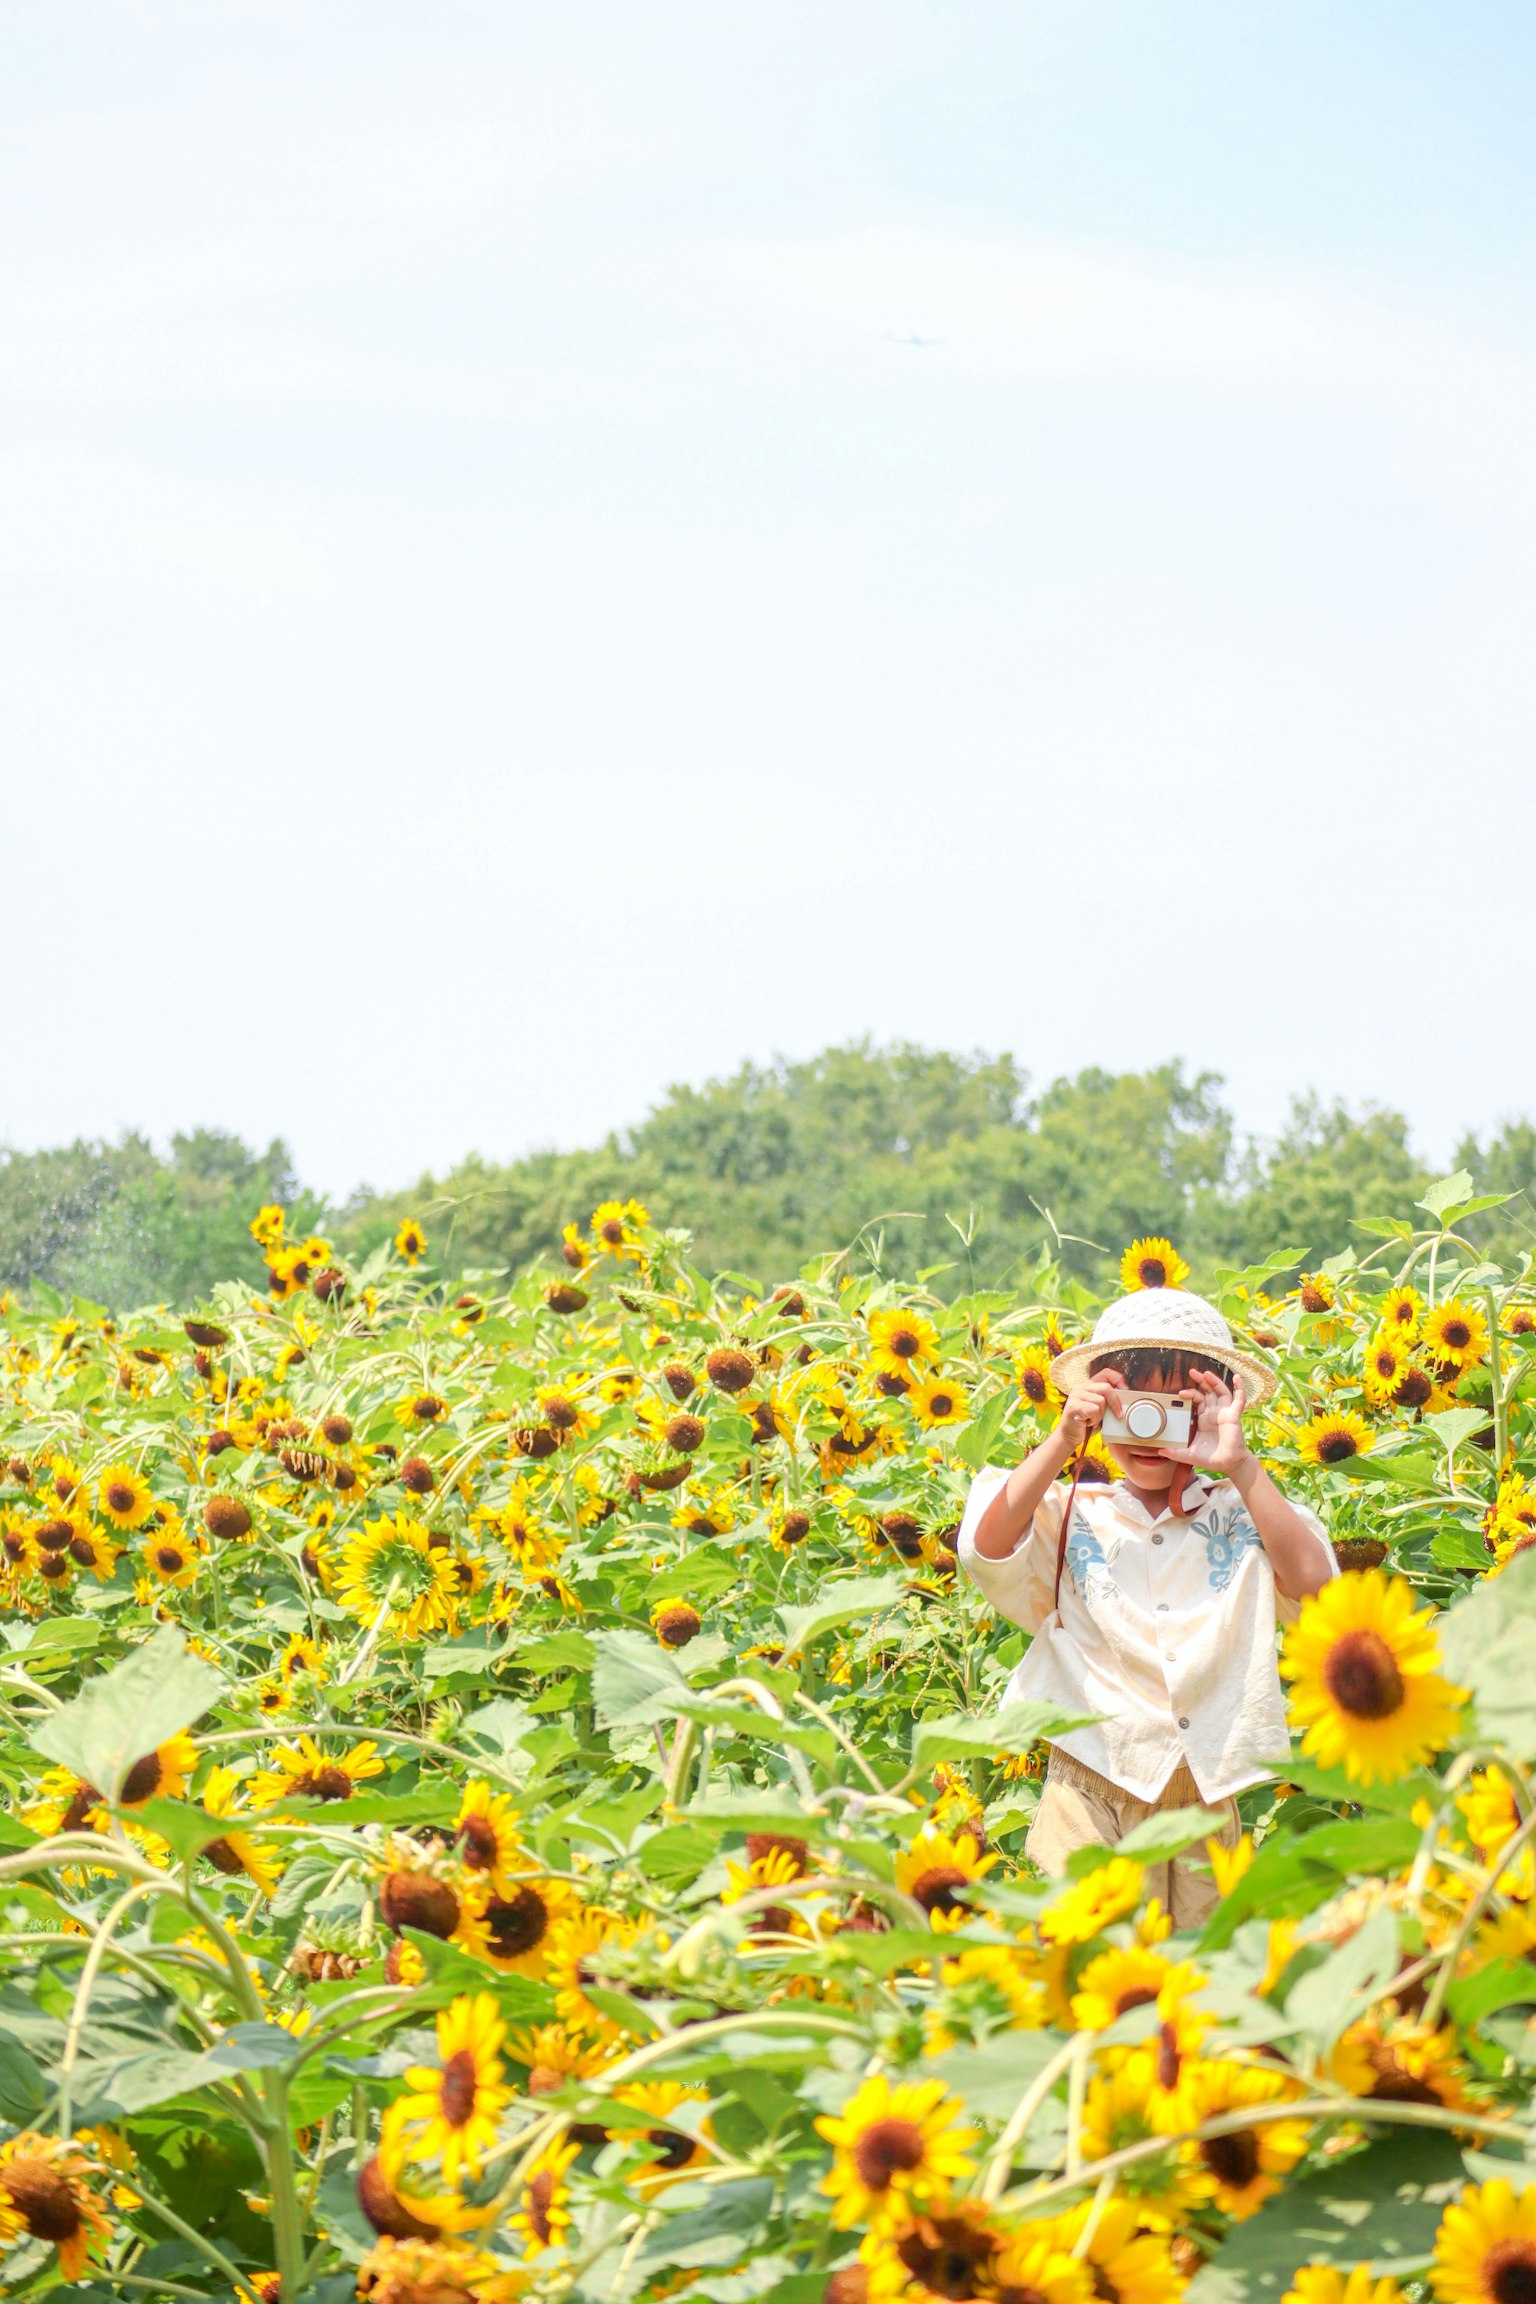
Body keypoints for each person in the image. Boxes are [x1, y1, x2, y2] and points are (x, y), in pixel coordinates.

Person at [958, 1284, 1336, 1927]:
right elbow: (986, 1546)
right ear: (1101, 1406)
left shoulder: (1247, 1517)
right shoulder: (1080, 1511)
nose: (1148, 1430)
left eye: (1176, 1406)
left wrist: (1240, 1466)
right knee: (1081, 1954)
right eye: (1132, 1406)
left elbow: (1321, 1594)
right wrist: (1061, 1441)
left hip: (1205, 1789)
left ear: (1215, 1408)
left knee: (1204, 1972)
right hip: (1089, 1778)